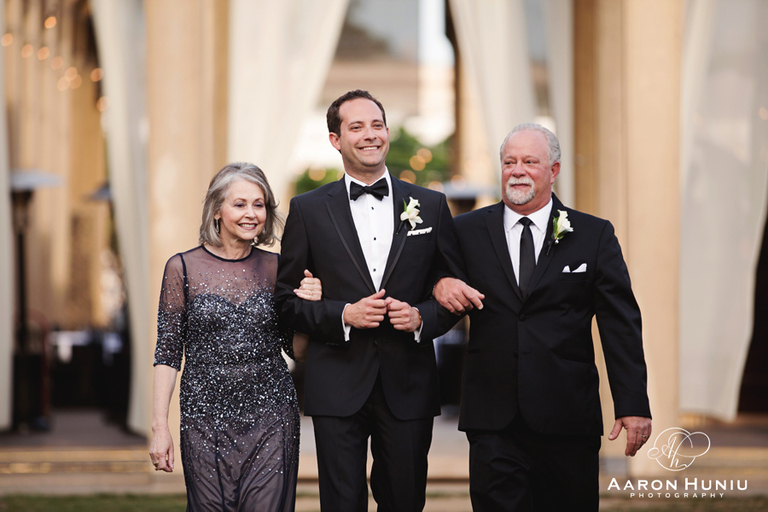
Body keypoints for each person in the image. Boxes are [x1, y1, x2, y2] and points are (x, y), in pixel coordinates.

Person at [434, 124, 652, 511]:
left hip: (567, 415)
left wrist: (632, 403)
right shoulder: (464, 231)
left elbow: (620, 324)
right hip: (492, 418)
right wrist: (440, 284)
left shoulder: (594, 235)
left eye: (529, 162)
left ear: (553, 170)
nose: (517, 170)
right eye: (509, 162)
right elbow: (434, 286)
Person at [274, 90, 464, 512]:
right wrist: (343, 314)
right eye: (356, 127)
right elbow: (284, 302)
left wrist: (419, 318)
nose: (369, 135)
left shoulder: (430, 206)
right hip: (335, 382)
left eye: (376, 125)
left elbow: (453, 291)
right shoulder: (307, 210)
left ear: (388, 133)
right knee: (341, 503)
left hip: (409, 384)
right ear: (335, 140)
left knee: (406, 500)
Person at [149, 162, 321, 512]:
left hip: (272, 415)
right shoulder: (181, 268)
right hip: (204, 418)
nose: (251, 214)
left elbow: (298, 351)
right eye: (240, 204)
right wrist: (159, 427)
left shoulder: (278, 267)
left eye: (259, 204)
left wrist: (309, 311)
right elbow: (167, 354)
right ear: (216, 210)